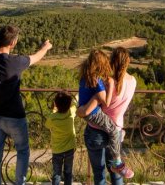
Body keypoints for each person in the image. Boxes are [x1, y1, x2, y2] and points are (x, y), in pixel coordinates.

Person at [0, 25, 52, 185]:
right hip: (15, 117)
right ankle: (19, 183)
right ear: (13, 42)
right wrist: (45, 47)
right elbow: (36, 56)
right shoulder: (17, 61)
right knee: (22, 151)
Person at [79, 47, 137, 185]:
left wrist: (83, 110)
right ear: (127, 62)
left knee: (99, 174)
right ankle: (118, 164)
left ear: (111, 61)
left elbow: (102, 104)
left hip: (96, 131)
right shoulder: (133, 81)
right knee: (116, 173)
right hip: (116, 131)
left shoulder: (107, 82)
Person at [45, 91, 76, 185]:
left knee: (56, 173)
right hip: (70, 148)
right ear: (69, 104)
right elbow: (75, 103)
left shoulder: (52, 117)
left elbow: (47, 125)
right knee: (68, 172)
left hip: (57, 150)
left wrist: (54, 110)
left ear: (56, 104)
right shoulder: (71, 112)